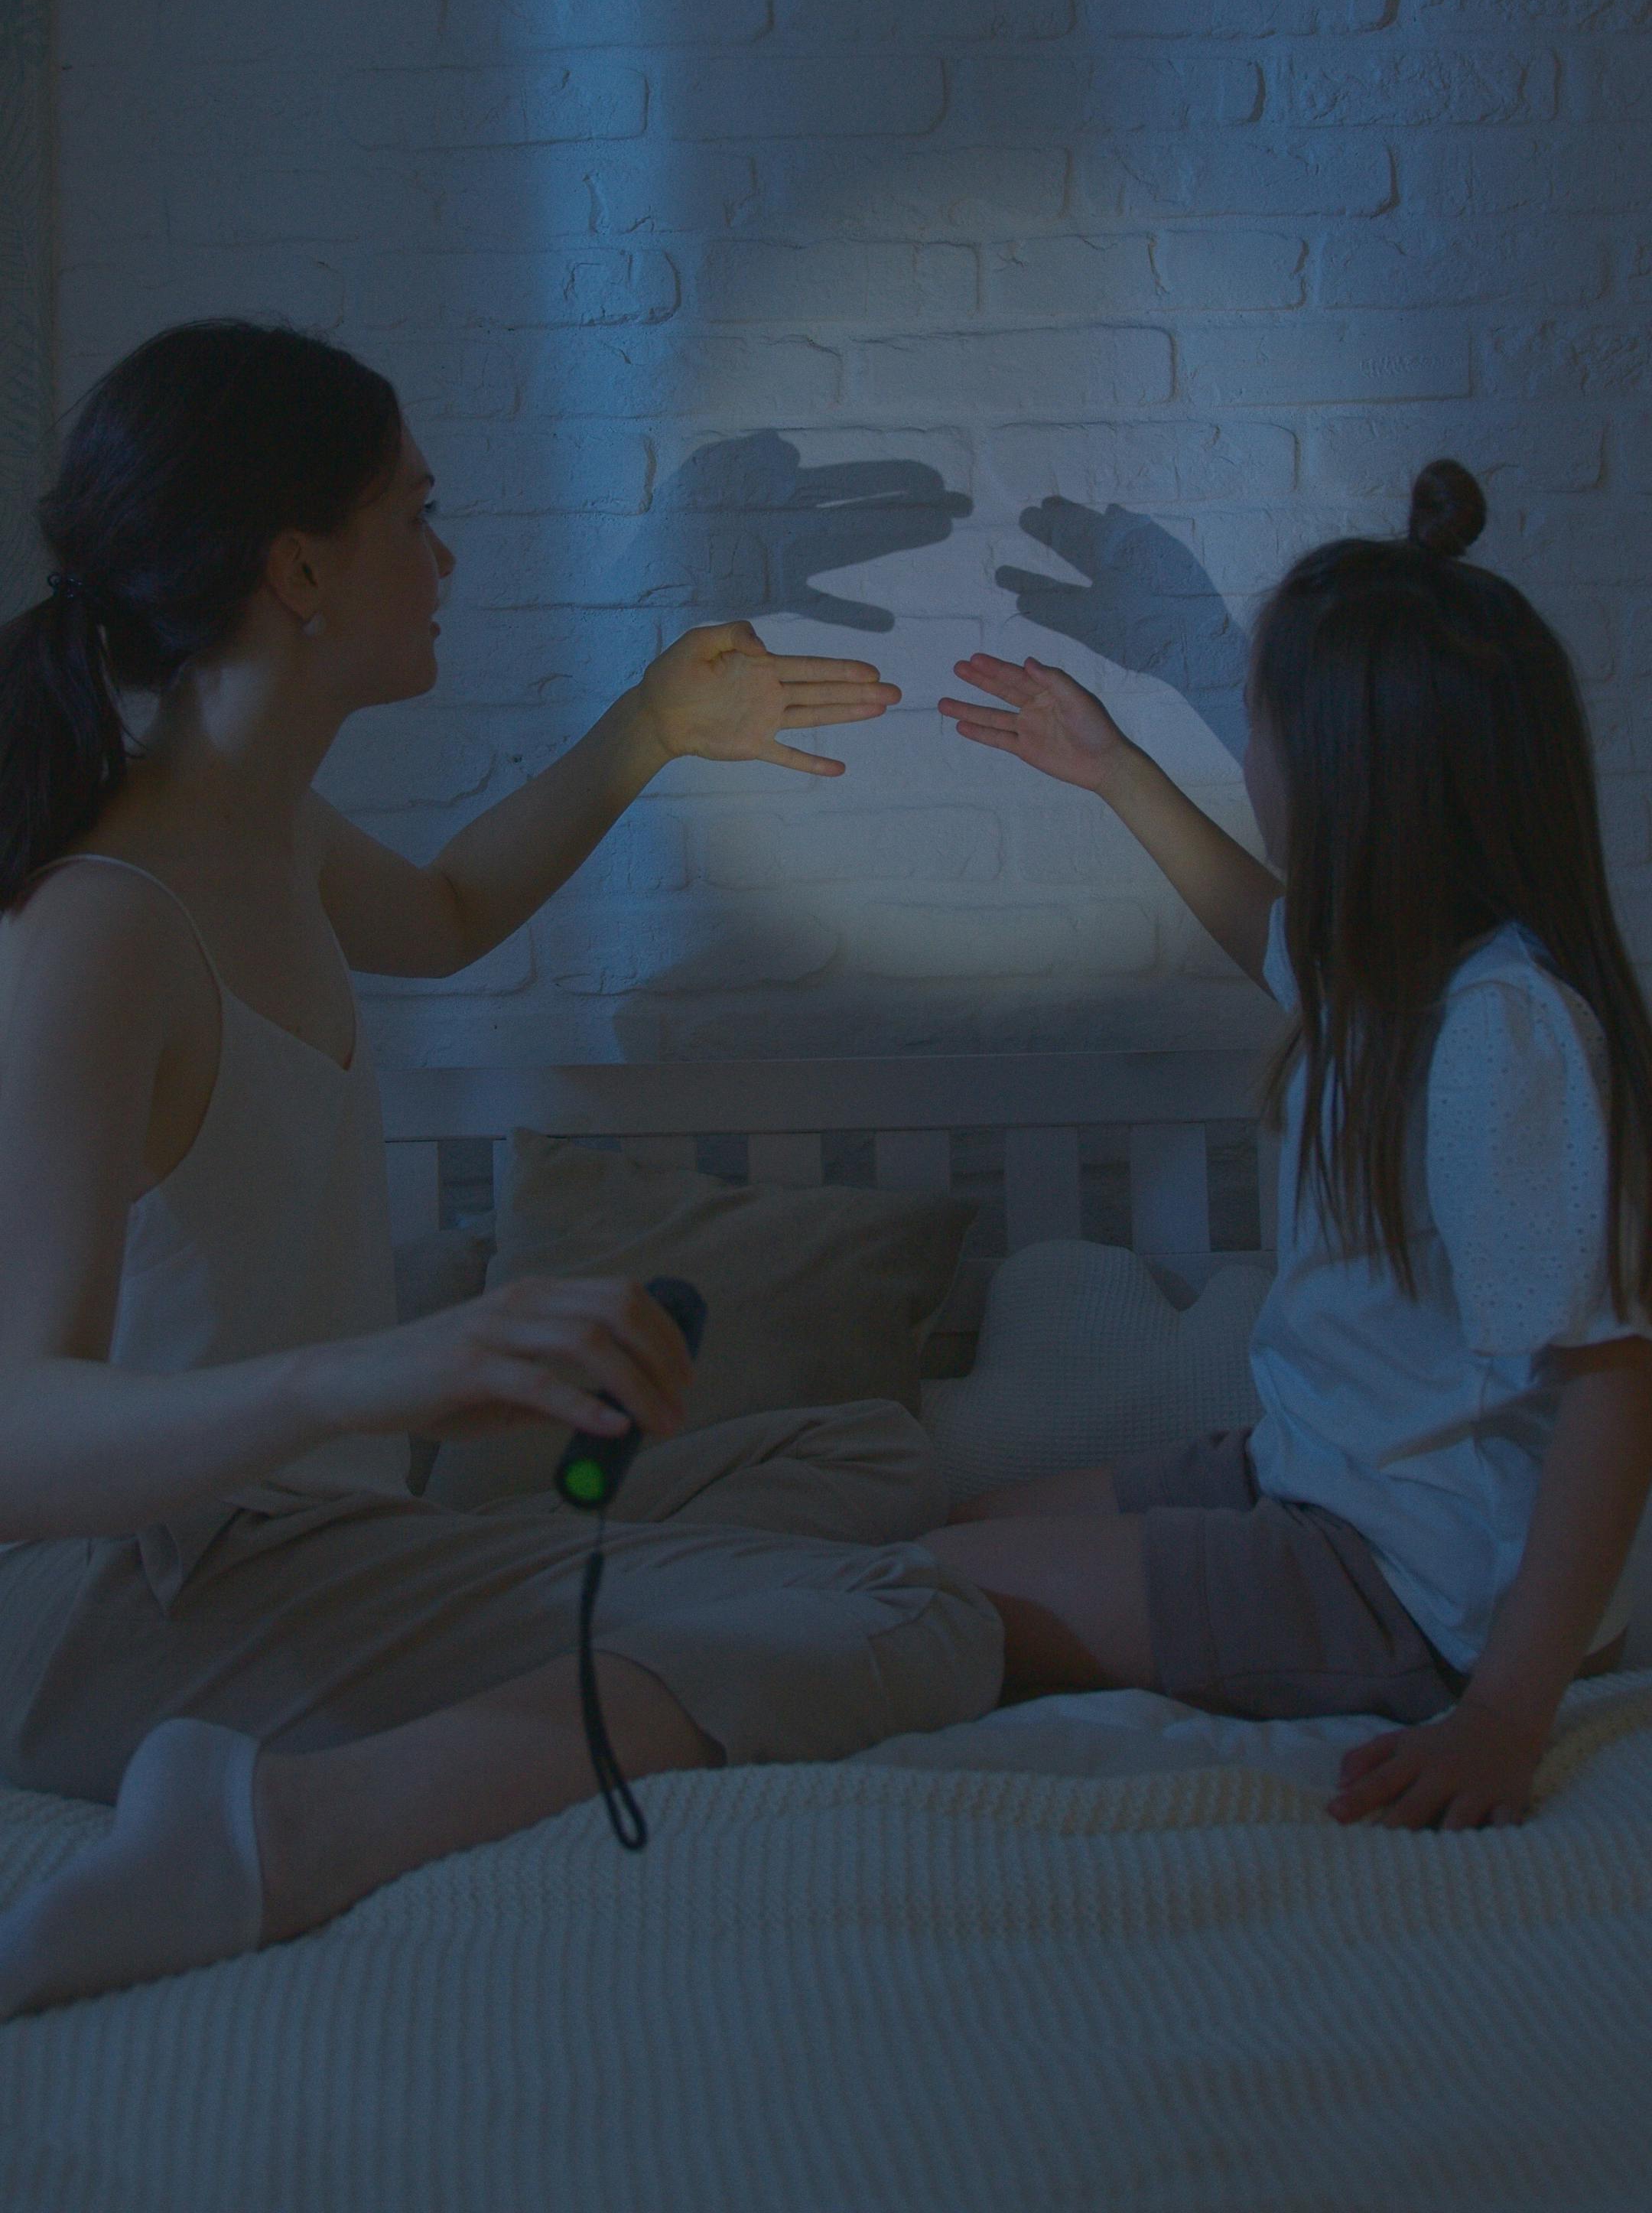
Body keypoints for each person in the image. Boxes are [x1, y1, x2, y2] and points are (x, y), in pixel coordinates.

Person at [0, 320, 1003, 2015]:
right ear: (302, 567)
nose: (449, 558)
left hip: (316, 1532)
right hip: (129, 1601)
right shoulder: (109, 926)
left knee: (860, 1468)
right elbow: (20, 1441)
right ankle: (281, 1829)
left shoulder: (273, 837)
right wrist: (360, 1374)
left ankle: (384, 1704)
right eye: (419, 515)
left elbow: (453, 916)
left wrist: (658, 724)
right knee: (918, 1618)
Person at [925, 458, 1652, 1831]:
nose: (1249, 759)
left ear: (1343, 773)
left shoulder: (1507, 1031)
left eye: (1258, 727)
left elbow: (1615, 1391)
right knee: (958, 1538)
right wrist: (1111, 769)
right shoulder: (1385, 971)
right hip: (1306, 1479)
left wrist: (1504, 1713)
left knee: (931, 1601)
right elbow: (1259, 926)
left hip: (1412, 1589)